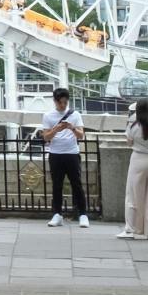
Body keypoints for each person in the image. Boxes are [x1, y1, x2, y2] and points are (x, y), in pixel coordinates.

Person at [38, 86, 89, 228]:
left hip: (72, 153)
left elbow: (81, 135)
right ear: (55, 101)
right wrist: (56, 129)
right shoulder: (48, 116)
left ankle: (83, 214)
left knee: (76, 184)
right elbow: (46, 137)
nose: (63, 105)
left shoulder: (75, 114)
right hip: (56, 154)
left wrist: (71, 127)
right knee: (57, 185)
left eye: (65, 102)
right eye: (60, 102)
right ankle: (57, 214)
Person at [120, 98, 148, 241]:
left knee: (133, 195)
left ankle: (132, 228)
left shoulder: (134, 124)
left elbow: (129, 143)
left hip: (138, 159)